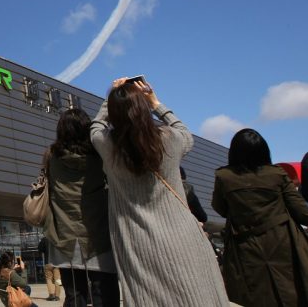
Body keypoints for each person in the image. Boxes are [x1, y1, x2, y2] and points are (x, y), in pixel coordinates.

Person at [90, 77, 229, 306]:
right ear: (143, 109)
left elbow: (96, 127)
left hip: (136, 243)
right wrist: (156, 103)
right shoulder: (170, 139)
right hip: (183, 236)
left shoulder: (108, 147)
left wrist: (112, 97)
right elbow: (185, 132)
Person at [212, 128, 308, 307]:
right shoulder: (276, 174)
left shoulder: (224, 177)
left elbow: (219, 208)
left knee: (250, 294)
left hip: (244, 246)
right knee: (290, 291)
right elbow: (301, 211)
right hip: (282, 242)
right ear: (263, 150)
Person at [43, 108, 118, 307]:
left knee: (74, 294)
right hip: (98, 233)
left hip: (65, 235)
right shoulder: (99, 155)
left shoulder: (52, 156)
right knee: (104, 291)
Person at [37, 236, 62, 302]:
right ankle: (57, 296)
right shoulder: (57, 238)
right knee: (58, 279)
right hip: (57, 262)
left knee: (49, 279)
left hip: (48, 262)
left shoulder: (45, 239)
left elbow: (40, 249)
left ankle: (51, 295)